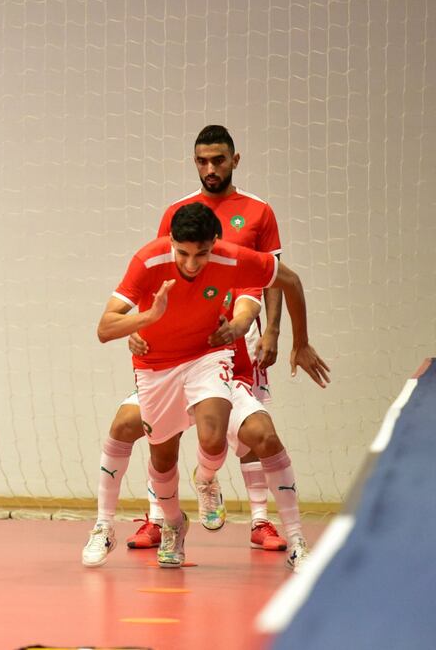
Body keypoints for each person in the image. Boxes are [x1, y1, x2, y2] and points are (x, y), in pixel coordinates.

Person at [95, 202, 328, 568]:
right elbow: (105, 328)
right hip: (156, 368)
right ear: (170, 240)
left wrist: (298, 341)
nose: (191, 264)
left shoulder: (234, 260)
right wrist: (149, 317)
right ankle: (171, 523)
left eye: (201, 254)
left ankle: (214, 485)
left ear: (215, 243)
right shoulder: (148, 261)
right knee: (161, 455)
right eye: (183, 254)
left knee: (217, 436)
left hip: (209, 359)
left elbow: (290, 282)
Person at [95, 125, 293, 552]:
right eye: (202, 160)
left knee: (243, 430)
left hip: (235, 335)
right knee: (163, 427)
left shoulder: (258, 211)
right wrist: (139, 328)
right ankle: (160, 519)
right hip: (175, 346)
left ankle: (259, 519)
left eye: (218, 159)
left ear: (234, 160)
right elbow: (158, 278)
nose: (210, 168)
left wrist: (273, 330)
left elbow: (272, 278)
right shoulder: (177, 212)